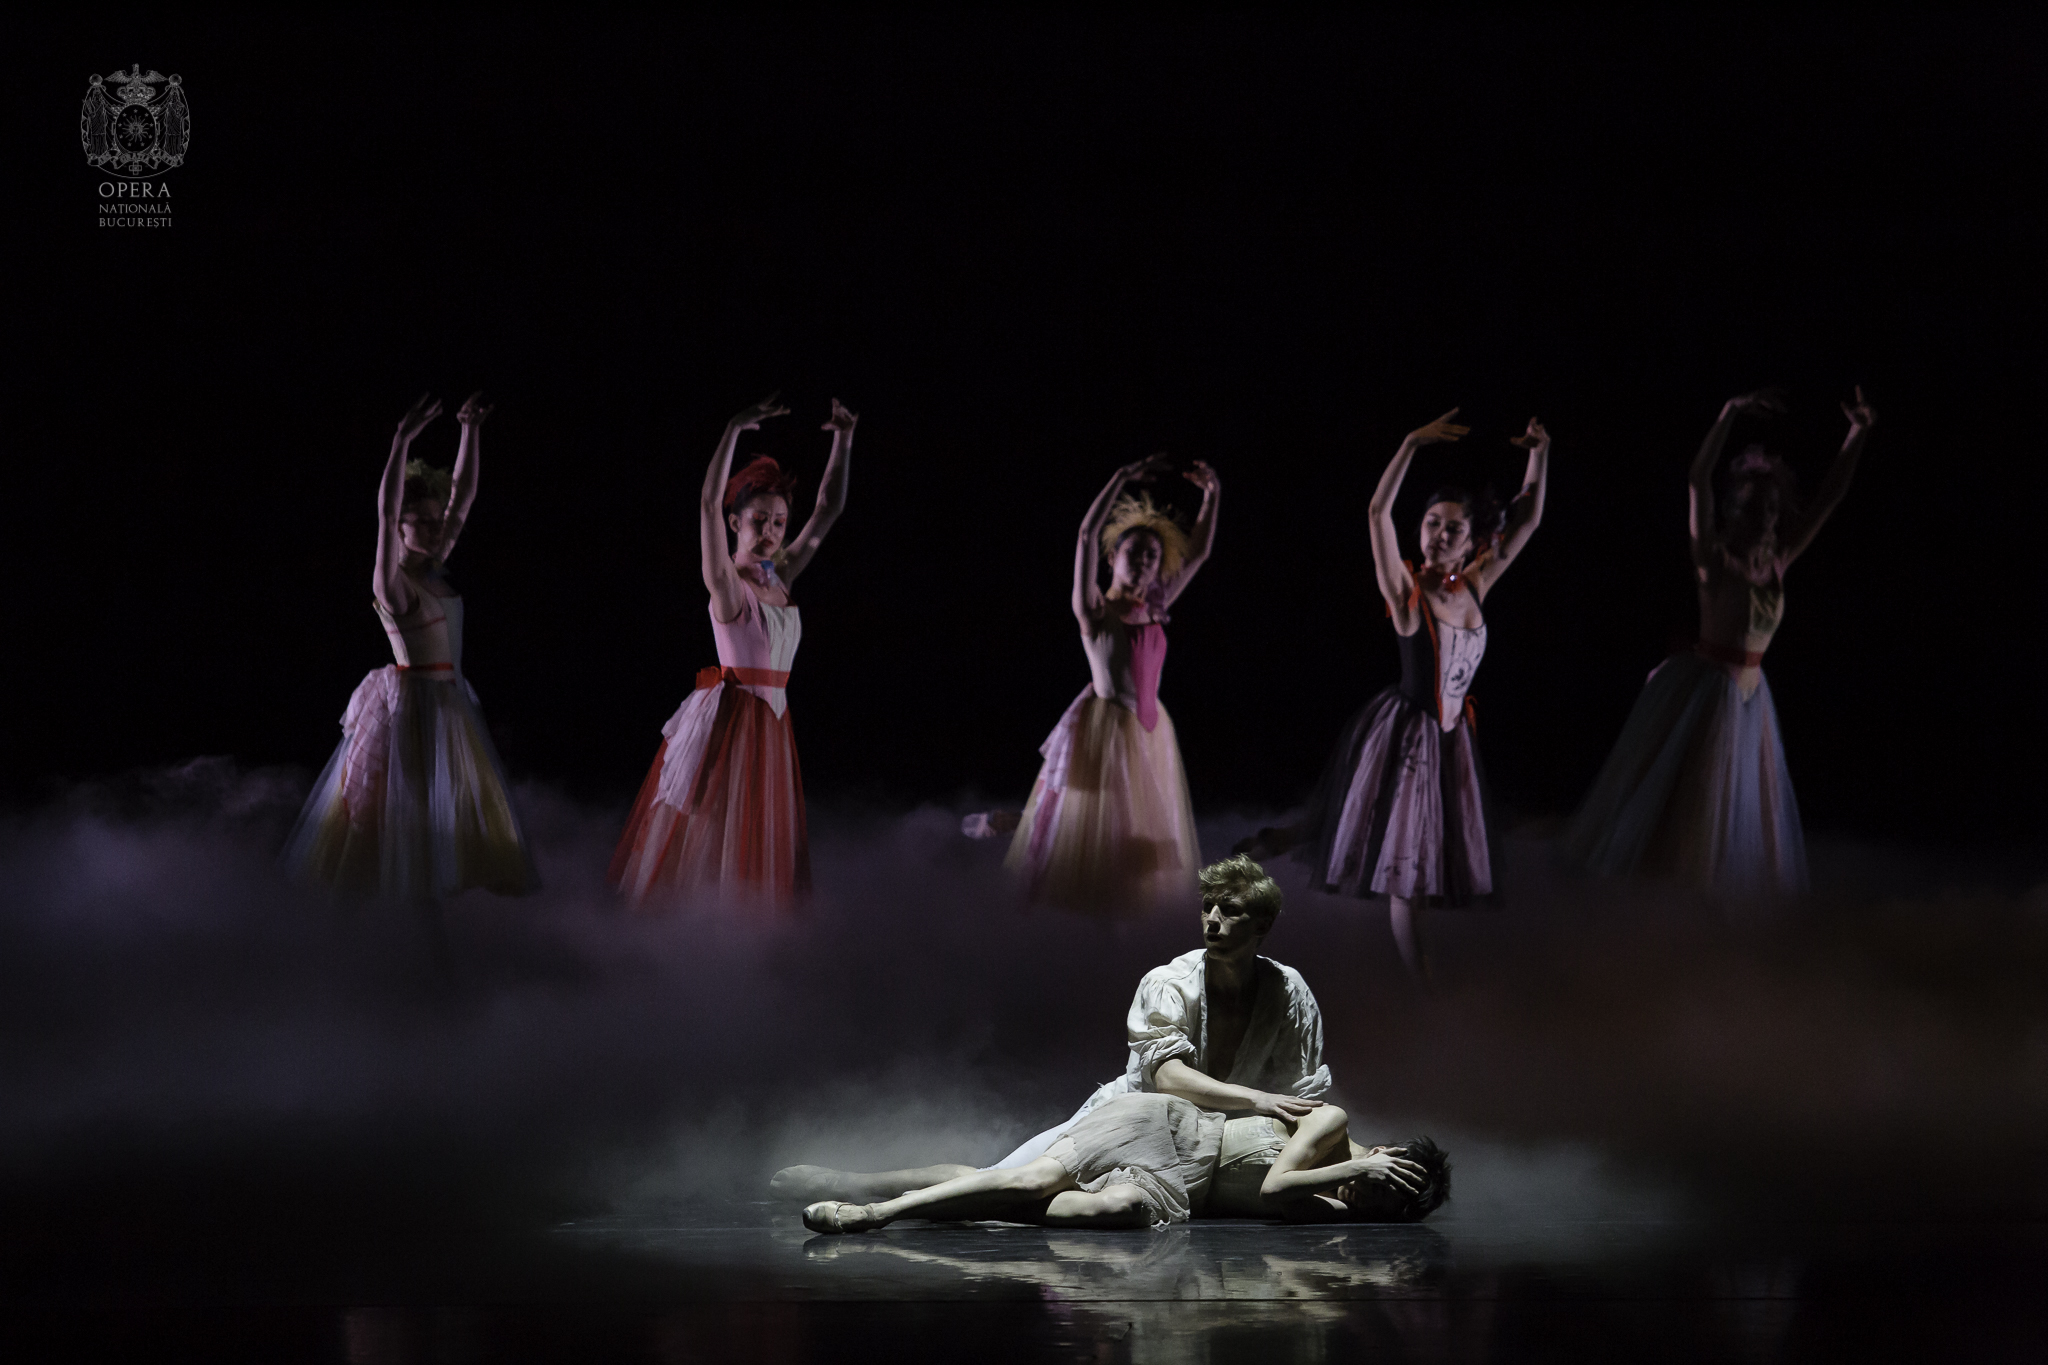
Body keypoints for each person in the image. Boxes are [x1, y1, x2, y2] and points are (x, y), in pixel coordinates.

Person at [772, 855, 1331, 1197]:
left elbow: (1296, 1092)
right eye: (1207, 906)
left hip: (1220, 1145)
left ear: (1262, 925)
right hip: (1132, 1122)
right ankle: (854, 1184)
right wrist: (1257, 1101)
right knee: (996, 1180)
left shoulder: (1289, 992)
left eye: (1229, 910)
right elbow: (1169, 1079)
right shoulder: (1169, 981)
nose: (1212, 919)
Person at [1243, 411, 1551, 980]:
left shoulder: (1477, 583)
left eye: (1453, 529)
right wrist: (1409, 444)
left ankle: (1280, 837)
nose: (1439, 534)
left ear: (1472, 541)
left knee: (1388, 843)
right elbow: (1376, 513)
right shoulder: (1407, 591)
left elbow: (1528, 519)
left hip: (1453, 740)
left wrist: (1539, 453)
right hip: (1407, 737)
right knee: (1403, 872)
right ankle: (1424, 992)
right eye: (1432, 523)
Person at [1562, 388, 1875, 895]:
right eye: (1753, 507)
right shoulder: (1713, 561)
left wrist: (1857, 433)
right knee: (1691, 811)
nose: (1764, 517)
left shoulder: (1778, 562)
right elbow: (1697, 479)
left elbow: (1829, 498)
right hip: (1708, 693)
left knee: (1736, 819)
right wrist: (1728, 413)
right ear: (1735, 510)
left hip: (1751, 696)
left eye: (1770, 508)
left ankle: (1714, 917)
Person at [284, 392, 539, 902]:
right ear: (399, 529)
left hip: (449, 704)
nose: (434, 527)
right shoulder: (394, 585)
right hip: (414, 712)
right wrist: (401, 439)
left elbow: (463, 497)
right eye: (419, 522)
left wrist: (470, 431)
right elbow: (383, 514)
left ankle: (431, 926)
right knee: (410, 827)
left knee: (446, 827)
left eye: (434, 520)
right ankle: (404, 926)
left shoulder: (435, 566)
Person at [610, 394, 857, 907]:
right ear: (735, 524)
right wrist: (733, 429)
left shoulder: (781, 576)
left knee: (759, 834)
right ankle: (699, 927)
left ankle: (753, 931)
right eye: (758, 520)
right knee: (717, 829)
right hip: (735, 721)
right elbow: (706, 503)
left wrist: (844, 438)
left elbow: (828, 509)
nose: (769, 532)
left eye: (778, 523)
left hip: (774, 721)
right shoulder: (728, 585)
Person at [1004, 456, 1218, 913]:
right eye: (1133, 552)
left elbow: (1199, 553)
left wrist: (1212, 496)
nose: (1143, 561)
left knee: (1142, 850)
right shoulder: (1095, 610)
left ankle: (1129, 931)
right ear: (1112, 558)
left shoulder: (1157, 605)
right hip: (1108, 732)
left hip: (1152, 730)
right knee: (1102, 842)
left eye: (1152, 556)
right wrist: (1120, 478)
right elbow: (1085, 535)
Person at [794, 1095, 1450, 1232]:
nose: (1371, 1198)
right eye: (1384, 1182)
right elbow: (1277, 1185)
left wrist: (1352, 1196)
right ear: (1385, 1157)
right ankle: (873, 1208)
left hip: (1179, 1185)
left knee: (1119, 1210)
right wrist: (1354, 1170)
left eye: (1386, 1205)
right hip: (1169, 1130)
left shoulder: (1337, 1204)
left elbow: (1278, 1202)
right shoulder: (1333, 1125)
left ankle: (978, 1199)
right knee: (1030, 1179)